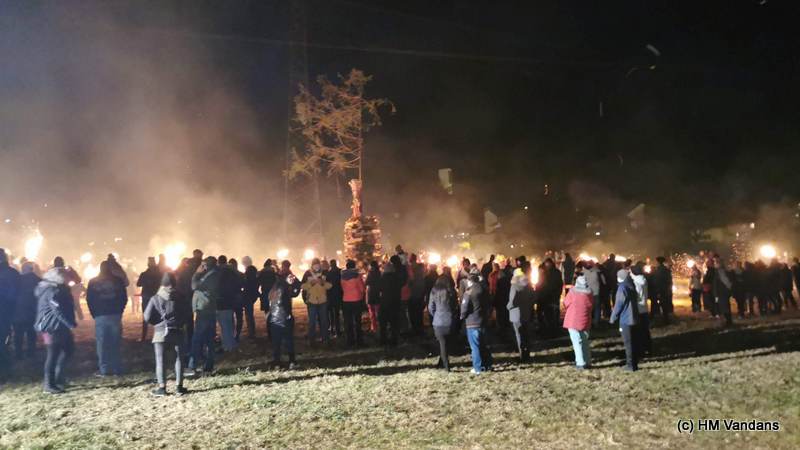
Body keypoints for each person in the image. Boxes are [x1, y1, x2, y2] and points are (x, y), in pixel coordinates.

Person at [144, 273, 189, 396]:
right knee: (179, 359)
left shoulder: (155, 298)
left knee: (160, 360)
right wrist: (180, 322)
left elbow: (147, 317)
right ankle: (179, 386)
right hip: (178, 330)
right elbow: (187, 313)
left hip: (160, 332)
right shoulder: (180, 297)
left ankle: (162, 388)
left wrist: (157, 323)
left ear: (162, 284)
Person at [35, 266, 77, 394]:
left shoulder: (59, 289)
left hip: (59, 326)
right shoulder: (52, 290)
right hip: (51, 327)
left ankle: (59, 378)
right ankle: (49, 384)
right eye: (65, 276)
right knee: (53, 355)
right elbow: (58, 310)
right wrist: (70, 324)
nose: (68, 279)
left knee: (68, 349)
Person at [86, 261, 128, 376]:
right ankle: (116, 368)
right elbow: (124, 298)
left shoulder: (93, 282)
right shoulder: (118, 281)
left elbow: (89, 299)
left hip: (100, 315)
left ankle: (104, 369)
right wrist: (120, 310)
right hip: (115, 315)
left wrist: (94, 313)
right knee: (115, 342)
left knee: (102, 343)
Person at [187, 257, 220, 375]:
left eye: (203, 265)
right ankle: (208, 367)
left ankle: (192, 366)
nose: (201, 267)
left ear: (207, 265)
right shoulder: (211, 275)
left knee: (197, 338)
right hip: (207, 310)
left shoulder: (212, 276)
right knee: (209, 339)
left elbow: (194, 286)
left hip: (204, 310)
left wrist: (196, 274)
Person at [267, 261, 302, 368]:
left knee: (277, 341)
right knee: (288, 340)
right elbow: (286, 300)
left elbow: (271, 301)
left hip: (274, 317)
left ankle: (277, 362)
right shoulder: (285, 286)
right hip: (284, 316)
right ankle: (291, 361)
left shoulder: (274, 288)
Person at [461, 269, 492, 374]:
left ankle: (477, 367)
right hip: (483, 321)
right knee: (484, 345)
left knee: (475, 346)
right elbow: (489, 304)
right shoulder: (484, 290)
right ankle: (487, 365)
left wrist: (462, 316)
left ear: (470, 281)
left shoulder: (468, 292)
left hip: (472, 322)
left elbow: (464, 307)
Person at [609, 269, 639, 372]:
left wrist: (613, 317)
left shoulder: (622, 288)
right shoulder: (631, 285)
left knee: (628, 343)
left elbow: (619, 304)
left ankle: (630, 365)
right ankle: (634, 362)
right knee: (633, 342)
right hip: (634, 318)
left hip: (626, 319)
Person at [562, 275, 594, 370]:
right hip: (585, 320)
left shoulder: (573, 292)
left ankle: (580, 363)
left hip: (573, 321)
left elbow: (565, 303)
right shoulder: (590, 293)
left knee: (577, 342)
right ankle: (587, 361)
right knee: (585, 342)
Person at [428, 275, 457, 371]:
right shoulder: (451, 291)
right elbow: (455, 305)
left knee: (442, 343)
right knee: (445, 343)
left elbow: (431, 307)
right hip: (449, 320)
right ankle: (442, 361)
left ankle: (446, 365)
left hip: (438, 321)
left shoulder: (434, 291)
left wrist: (435, 314)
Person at [301, 259, 332, 345]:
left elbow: (330, 285)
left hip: (323, 301)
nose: (316, 266)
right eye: (315, 265)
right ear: (312, 265)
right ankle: (312, 340)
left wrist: (323, 283)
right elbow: (302, 286)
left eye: (318, 264)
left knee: (324, 321)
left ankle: (325, 339)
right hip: (312, 301)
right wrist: (311, 283)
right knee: (312, 322)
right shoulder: (307, 273)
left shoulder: (325, 273)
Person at [0, 249, 20, 380]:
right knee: (4, 341)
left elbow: (13, 294)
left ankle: (5, 371)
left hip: (5, 312)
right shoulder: (13, 273)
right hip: (8, 313)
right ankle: (6, 370)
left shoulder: (10, 274)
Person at [13, 262, 40, 360]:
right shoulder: (38, 280)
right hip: (32, 312)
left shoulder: (17, 280)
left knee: (18, 334)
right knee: (31, 334)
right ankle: (31, 353)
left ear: (24, 269)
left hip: (18, 311)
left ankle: (18, 354)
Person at [507, 268, 534, 362]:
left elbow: (512, 301)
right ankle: (528, 353)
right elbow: (534, 297)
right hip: (526, 312)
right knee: (527, 334)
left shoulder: (514, 286)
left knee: (519, 335)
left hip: (516, 314)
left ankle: (522, 355)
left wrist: (508, 306)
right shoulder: (529, 286)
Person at [215, 255, 240, 352]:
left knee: (224, 326)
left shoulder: (217, 272)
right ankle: (231, 344)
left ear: (218, 262)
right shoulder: (232, 271)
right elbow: (239, 282)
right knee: (229, 324)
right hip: (230, 301)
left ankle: (227, 346)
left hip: (220, 302)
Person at [379, 255, 404, 347]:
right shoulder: (397, 278)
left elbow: (379, 289)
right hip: (395, 302)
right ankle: (394, 340)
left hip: (385, 302)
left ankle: (383, 340)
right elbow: (401, 286)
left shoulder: (382, 278)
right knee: (394, 323)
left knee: (383, 323)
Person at [341, 260, 366, 347]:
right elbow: (362, 289)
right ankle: (359, 340)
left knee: (348, 322)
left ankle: (350, 341)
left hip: (346, 300)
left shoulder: (342, 277)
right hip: (356, 300)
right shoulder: (357, 276)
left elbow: (342, 288)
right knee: (358, 321)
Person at [136, 257, 162, 342]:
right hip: (156, 297)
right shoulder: (159, 274)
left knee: (146, 317)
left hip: (146, 297)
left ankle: (143, 337)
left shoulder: (144, 274)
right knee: (158, 317)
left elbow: (138, 284)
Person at [630, 263, 652, 359]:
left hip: (638, 309)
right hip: (644, 309)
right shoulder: (643, 280)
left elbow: (636, 297)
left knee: (638, 331)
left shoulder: (636, 284)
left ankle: (641, 350)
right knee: (645, 330)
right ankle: (648, 348)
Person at [257, 259, 278, 334]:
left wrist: (258, 293)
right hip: (273, 294)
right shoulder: (273, 272)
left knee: (267, 312)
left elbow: (258, 282)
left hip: (265, 294)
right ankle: (274, 329)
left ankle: (269, 330)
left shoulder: (262, 272)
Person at [712, 256, 734, 327]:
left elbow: (716, 284)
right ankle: (728, 321)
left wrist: (716, 295)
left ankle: (727, 321)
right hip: (724, 292)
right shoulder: (724, 272)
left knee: (723, 307)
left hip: (721, 293)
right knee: (725, 306)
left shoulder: (719, 273)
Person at [240, 259, 259, 339]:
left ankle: (251, 332)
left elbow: (243, 285)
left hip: (247, 297)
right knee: (249, 315)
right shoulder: (255, 278)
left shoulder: (246, 278)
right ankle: (252, 331)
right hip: (252, 297)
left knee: (248, 315)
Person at [326, 260, 343, 338]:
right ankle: (338, 330)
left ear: (330, 265)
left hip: (330, 296)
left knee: (331, 315)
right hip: (338, 295)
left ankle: (332, 329)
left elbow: (327, 285)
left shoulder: (328, 274)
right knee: (337, 314)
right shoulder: (340, 272)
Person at [365, 260, 382, 333]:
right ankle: (381, 327)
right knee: (378, 312)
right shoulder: (380, 273)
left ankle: (374, 327)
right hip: (377, 294)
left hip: (371, 294)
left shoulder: (370, 273)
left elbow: (366, 282)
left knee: (372, 313)